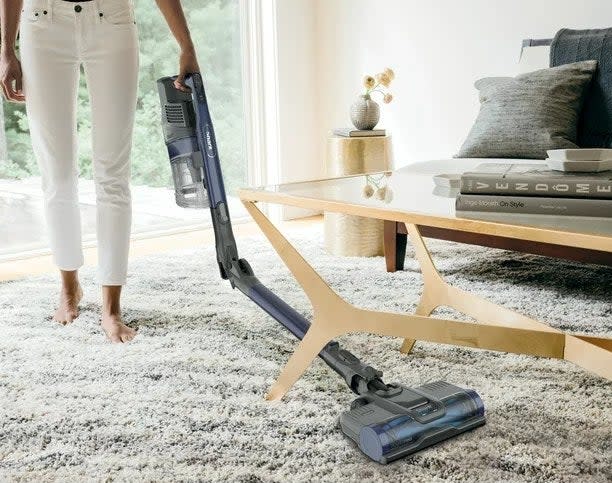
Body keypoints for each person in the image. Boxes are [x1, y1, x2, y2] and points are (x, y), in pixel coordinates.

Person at [0, 0, 200, 342]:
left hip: (113, 21)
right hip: (43, 22)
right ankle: (68, 287)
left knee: (113, 173)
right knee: (57, 175)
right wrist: (7, 48)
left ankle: (111, 306)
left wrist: (187, 45)